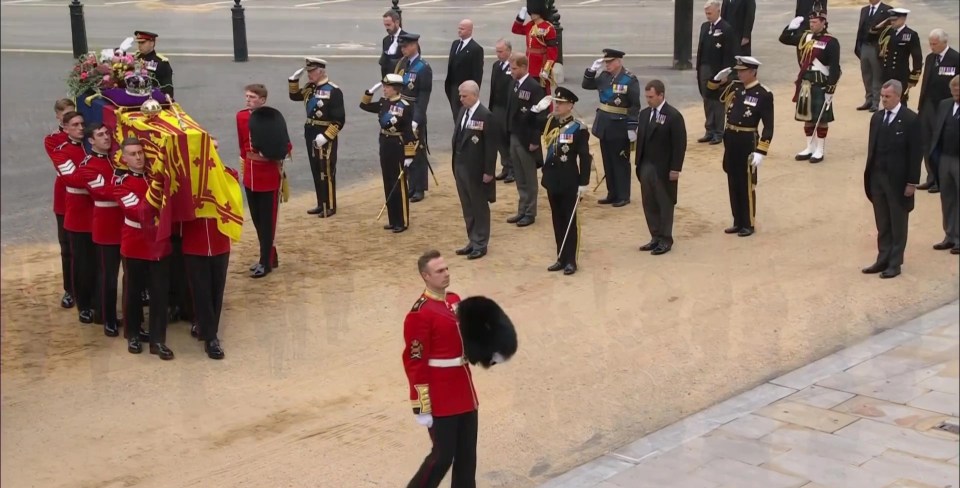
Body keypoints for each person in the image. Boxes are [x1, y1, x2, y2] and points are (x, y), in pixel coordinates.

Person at [403, 250, 479, 488]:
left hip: (464, 390)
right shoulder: (420, 314)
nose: (446, 274)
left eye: (446, 269)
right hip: (441, 397)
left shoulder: (454, 300)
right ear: (426, 276)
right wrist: (421, 405)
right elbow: (415, 362)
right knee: (442, 457)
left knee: (467, 456)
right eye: (439, 271)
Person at [115, 137, 174, 359]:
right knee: (133, 292)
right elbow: (138, 212)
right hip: (136, 243)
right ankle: (133, 334)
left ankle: (158, 340)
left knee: (159, 294)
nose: (138, 157)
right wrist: (159, 186)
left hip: (159, 242)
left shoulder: (154, 178)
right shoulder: (121, 183)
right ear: (124, 157)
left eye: (140, 152)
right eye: (133, 154)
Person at [705, 56, 774, 237]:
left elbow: (768, 126)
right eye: (738, 71)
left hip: (747, 139)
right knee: (733, 180)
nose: (739, 74)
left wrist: (761, 150)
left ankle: (748, 222)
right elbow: (711, 94)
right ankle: (737, 220)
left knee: (746, 183)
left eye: (743, 71)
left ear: (753, 72)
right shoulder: (735, 87)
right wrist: (716, 80)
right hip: (731, 138)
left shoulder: (763, 94)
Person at [862, 79, 922, 278]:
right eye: (882, 96)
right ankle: (883, 258)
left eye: (887, 97)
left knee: (898, 223)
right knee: (883, 222)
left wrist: (912, 182)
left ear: (898, 96)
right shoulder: (877, 118)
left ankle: (895, 263)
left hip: (898, 181)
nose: (884, 100)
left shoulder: (911, 119)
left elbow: (915, 154)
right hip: (877, 178)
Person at [78, 122, 125, 337]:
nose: (106, 137)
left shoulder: (115, 159)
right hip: (106, 226)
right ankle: (107, 318)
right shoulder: (87, 166)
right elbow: (105, 192)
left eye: (107, 133)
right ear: (91, 140)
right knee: (108, 276)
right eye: (100, 135)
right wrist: (125, 185)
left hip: (123, 223)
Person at [240, 85, 291, 278]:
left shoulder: (272, 118)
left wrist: (273, 153)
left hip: (268, 174)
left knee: (268, 222)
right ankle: (271, 255)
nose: (248, 100)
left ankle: (265, 262)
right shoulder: (242, 117)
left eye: (252, 97)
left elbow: (284, 145)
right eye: (247, 96)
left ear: (262, 100)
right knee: (258, 220)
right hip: (251, 174)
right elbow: (242, 146)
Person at [50, 111, 96, 323]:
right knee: (81, 262)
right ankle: (83, 304)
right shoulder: (62, 151)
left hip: (96, 212)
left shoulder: (91, 147)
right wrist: (95, 175)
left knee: (97, 262)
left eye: (82, 124)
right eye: (75, 125)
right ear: (65, 128)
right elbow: (72, 178)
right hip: (78, 213)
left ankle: (95, 301)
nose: (80, 128)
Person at [540, 87, 592, 275]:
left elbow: (585, 157)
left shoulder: (578, 128)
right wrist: (536, 109)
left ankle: (571, 260)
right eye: (556, 102)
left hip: (569, 180)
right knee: (557, 219)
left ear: (570, 105)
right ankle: (560, 257)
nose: (557, 105)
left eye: (561, 103)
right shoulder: (550, 123)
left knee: (570, 220)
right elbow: (528, 124)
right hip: (552, 179)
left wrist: (584, 183)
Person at [780, 8, 841, 164]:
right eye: (810, 22)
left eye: (815, 22)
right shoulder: (805, 37)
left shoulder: (831, 42)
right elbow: (784, 39)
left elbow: (834, 68)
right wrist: (791, 27)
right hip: (806, 82)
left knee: (821, 118)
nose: (812, 25)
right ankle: (809, 147)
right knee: (806, 116)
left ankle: (820, 149)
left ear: (823, 23)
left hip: (821, 82)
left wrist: (831, 89)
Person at [360, 74, 418, 233]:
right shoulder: (383, 103)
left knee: (399, 183)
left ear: (395, 88)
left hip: (398, 145)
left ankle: (403, 221)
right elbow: (363, 105)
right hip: (385, 144)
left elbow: (408, 132)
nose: (384, 89)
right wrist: (369, 92)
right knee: (388, 181)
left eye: (387, 87)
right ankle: (393, 220)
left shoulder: (405, 106)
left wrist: (409, 155)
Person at [583, 48, 641, 207]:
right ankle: (612, 193)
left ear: (618, 62)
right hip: (604, 124)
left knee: (620, 161)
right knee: (608, 160)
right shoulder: (604, 76)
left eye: (609, 62)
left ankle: (623, 195)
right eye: (605, 62)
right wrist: (591, 70)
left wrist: (632, 127)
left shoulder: (629, 80)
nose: (606, 65)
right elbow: (586, 85)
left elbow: (634, 106)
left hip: (620, 124)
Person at [635, 80, 687, 255]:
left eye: (651, 97)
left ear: (661, 95)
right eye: (646, 97)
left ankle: (666, 238)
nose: (648, 100)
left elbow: (679, 144)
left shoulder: (673, 116)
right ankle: (655, 236)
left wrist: (675, 168)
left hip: (664, 168)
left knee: (664, 203)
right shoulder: (644, 115)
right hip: (646, 165)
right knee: (649, 203)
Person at [288, 58, 345, 217]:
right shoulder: (310, 88)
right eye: (308, 72)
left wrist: (327, 136)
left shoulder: (334, 91)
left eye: (311, 72)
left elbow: (339, 120)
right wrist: (293, 81)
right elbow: (295, 96)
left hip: (325, 132)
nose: (309, 75)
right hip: (311, 131)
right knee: (315, 168)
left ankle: (330, 205)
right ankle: (321, 203)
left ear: (321, 71)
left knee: (326, 169)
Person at [452, 81, 497, 261]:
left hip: (477, 169)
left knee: (479, 206)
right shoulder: (463, 112)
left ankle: (481, 243)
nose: (461, 99)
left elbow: (491, 147)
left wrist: (489, 171)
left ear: (475, 95)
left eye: (464, 96)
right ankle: (472, 239)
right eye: (460, 96)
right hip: (460, 165)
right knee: (467, 206)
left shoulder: (486, 115)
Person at [505, 53, 547, 227]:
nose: (511, 71)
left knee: (529, 178)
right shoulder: (514, 84)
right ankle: (522, 209)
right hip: (515, 134)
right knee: (520, 176)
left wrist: (535, 140)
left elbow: (539, 117)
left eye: (514, 68)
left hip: (527, 138)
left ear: (523, 67)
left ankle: (530, 212)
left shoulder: (534, 87)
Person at [45, 98, 76, 309]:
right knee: (67, 247)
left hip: (86, 199)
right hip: (64, 197)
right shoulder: (53, 139)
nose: (70, 117)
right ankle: (70, 290)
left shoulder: (83, 134)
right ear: (58, 116)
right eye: (66, 114)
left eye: (72, 113)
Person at [395, 32, 434, 203]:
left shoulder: (423, 68)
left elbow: (423, 98)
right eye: (402, 47)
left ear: (414, 46)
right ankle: (411, 185)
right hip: (402, 113)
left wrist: (416, 120)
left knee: (417, 152)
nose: (403, 49)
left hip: (414, 114)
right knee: (406, 151)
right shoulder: (402, 63)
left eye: (405, 46)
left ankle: (419, 188)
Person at [918, 29, 958, 193]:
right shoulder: (930, 58)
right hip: (927, 106)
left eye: (935, 44)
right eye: (930, 43)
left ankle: (942, 180)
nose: (932, 47)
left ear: (944, 42)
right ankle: (931, 177)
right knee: (926, 143)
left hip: (944, 108)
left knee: (940, 144)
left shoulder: (956, 59)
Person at [696, 0, 738, 145]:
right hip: (704, 68)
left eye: (710, 13)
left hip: (718, 70)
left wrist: (726, 74)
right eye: (706, 13)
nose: (708, 16)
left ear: (718, 11)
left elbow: (729, 54)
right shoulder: (704, 27)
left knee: (717, 101)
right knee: (707, 99)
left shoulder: (726, 29)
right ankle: (709, 130)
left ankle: (718, 132)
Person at [929, 76, 960, 255]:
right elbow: (937, 130)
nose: (956, 94)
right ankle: (949, 236)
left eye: (959, 91)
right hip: (945, 159)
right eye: (954, 91)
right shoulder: (945, 105)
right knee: (947, 199)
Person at [872, 9, 922, 107]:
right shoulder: (888, 31)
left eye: (895, 19)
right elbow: (872, 33)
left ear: (903, 19)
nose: (892, 22)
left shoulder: (910, 34)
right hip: (887, 73)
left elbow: (917, 57)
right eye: (891, 19)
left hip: (901, 75)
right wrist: (883, 23)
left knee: (900, 101)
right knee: (887, 100)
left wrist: (913, 77)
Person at [511, 0, 558, 95]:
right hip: (528, 66)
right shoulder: (530, 25)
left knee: (541, 94)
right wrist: (520, 17)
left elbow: (552, 52)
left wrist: (546, 69)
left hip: (540, 66)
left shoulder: (548, 28)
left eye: (534, 12)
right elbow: (515, 29)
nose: (531, 14)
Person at [855, 0, 891, 112]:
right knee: (866, 74)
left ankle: (875, 102)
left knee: (877, 75)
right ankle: (868, 99)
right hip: (864, 46)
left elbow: (889, 30)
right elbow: (861, 29)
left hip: (876, 47)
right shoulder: (864, 10)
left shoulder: (887, 10)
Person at [445, 19, 484, 120]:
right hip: (453, 88)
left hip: (466, 90)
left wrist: (474, 92)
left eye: (462, 29)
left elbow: (477, 74)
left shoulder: (476, 49)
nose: (459, 30)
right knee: (456, 116)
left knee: (464, 117)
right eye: (459, 28)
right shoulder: (455, 44)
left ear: (470, 31)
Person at [490, 39, 516, 183]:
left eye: (500, 51)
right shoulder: (496, 66)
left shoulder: (513, 66)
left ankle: (513, 169)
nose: (498, 54)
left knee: (508, 140)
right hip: (497, 108)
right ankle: (505, 167)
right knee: (499, 139)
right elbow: (493, 89)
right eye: (497, 51)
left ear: (508, 51)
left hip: (508, 109)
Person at [133, 30, 173, 97]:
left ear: (152, 43)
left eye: (142, 43)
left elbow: (167, 88)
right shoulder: (134, 59)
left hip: (152, 99)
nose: (139, 45)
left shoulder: (161, 63)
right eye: (138, 43)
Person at [379, 10, 407, 79]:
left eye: (389, 25)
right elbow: (383, 65)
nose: (387, 28)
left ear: (397, 22)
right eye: (385, 25)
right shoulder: (386, 40)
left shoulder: (407, 39)